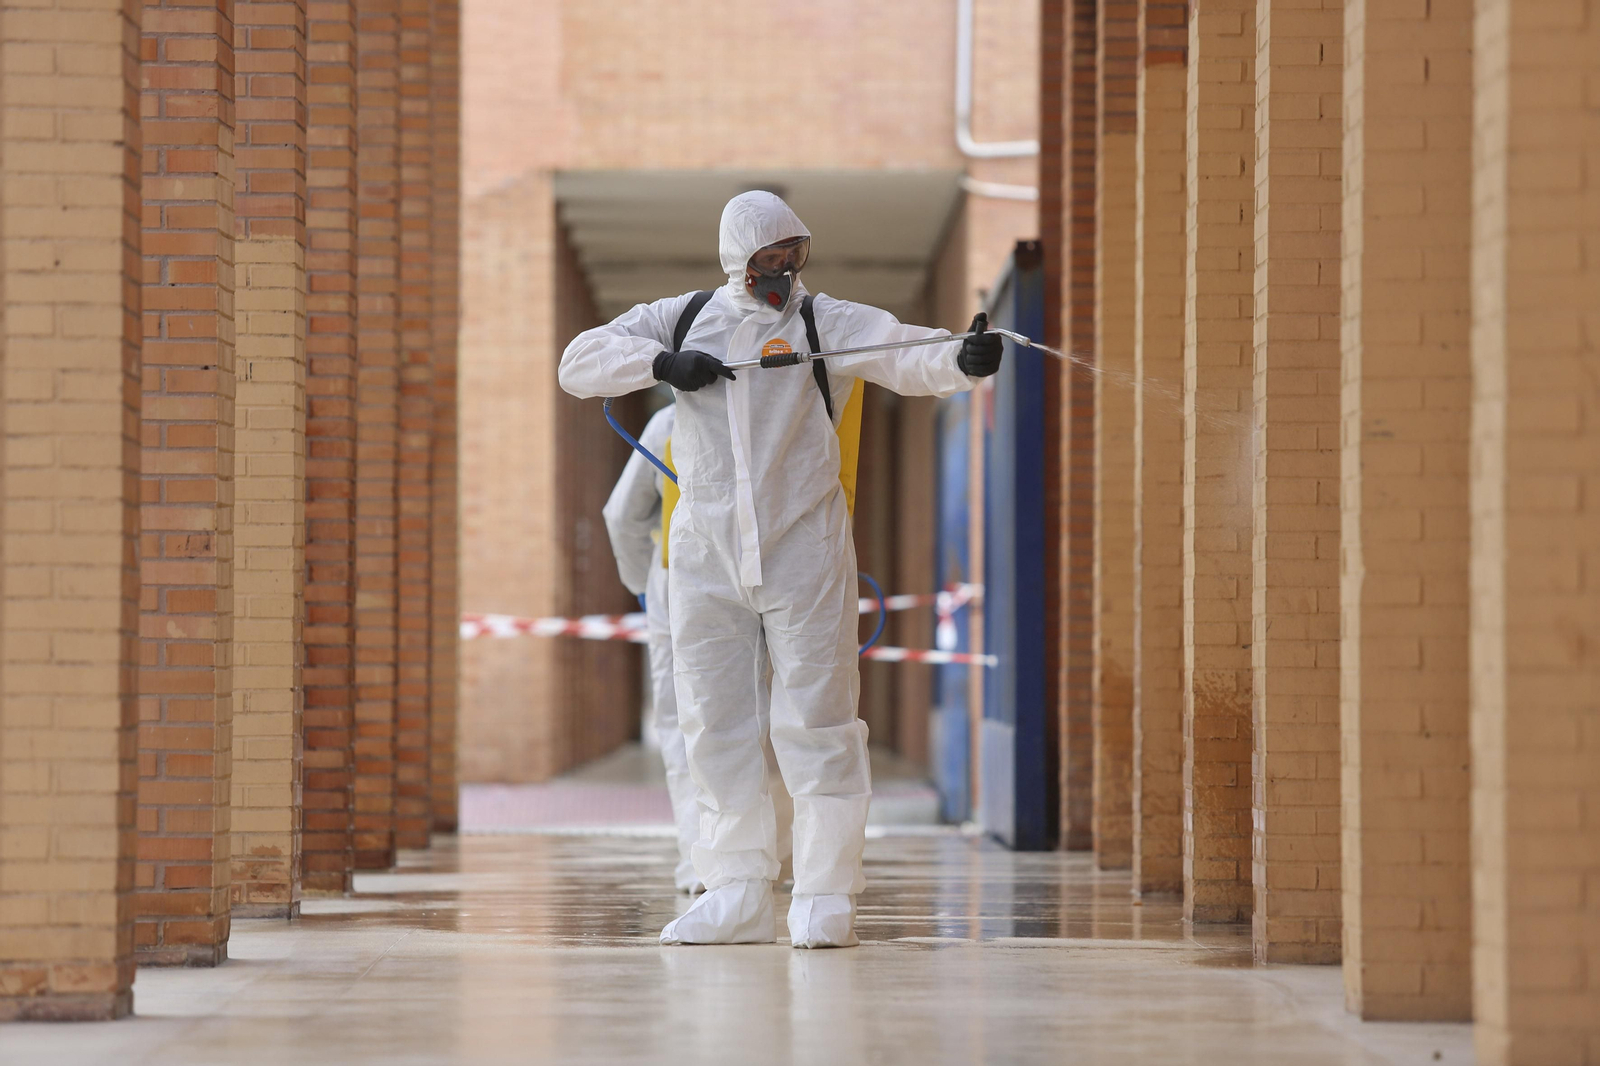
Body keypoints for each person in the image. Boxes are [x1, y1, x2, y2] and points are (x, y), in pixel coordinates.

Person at [561, 191, 1002, 948]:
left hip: (805, 546)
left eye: (792, 258)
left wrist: (960, 359)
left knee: (820, 718)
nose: (783, 272)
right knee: (713, 723)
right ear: (740, 256)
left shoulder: (821, 322)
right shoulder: (682, 316)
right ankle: (732, 885)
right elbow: (579, 362)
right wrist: (661, 362)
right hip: (705, 551)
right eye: (769, 260)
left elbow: (904, 349)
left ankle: (826, 891)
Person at [600, 402, 792, 896]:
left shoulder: (667, 423)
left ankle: (706, 865)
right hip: (777, 572)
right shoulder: (780, 411)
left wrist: (645, 585)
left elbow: (621, 515)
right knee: (776, 718)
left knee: (689, 725)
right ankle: (776, 856)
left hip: (680, 582)